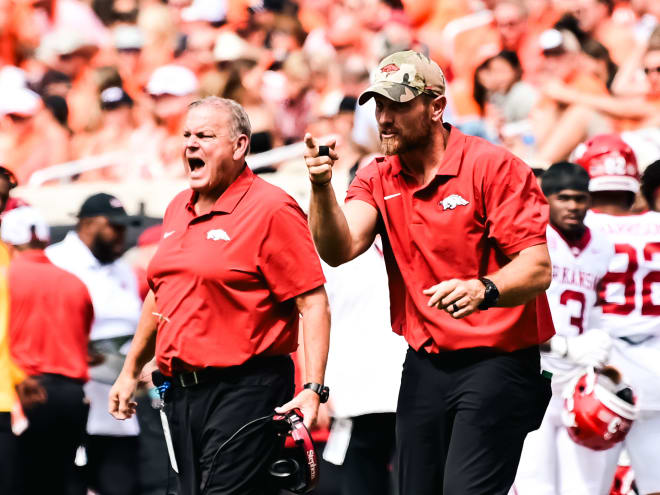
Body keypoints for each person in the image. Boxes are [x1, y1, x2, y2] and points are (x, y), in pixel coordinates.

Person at [304, 49, 554, 495]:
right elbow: (339, 248)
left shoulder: (494, 166)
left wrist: (485, 289)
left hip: (497, 361)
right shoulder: (377, 176)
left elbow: (536, 268)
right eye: (379, 106)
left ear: (436, 106)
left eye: (398, 105)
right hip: (425, 365)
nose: (384, 118)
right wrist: (321, 188)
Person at [109, 96, 331, 495]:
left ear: (240, 146)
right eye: (187, 135)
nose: (191, 144)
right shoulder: (179, 206)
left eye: (206, 136)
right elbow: (161, 293)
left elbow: (312, 302)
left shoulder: (271, 208)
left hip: (246, 389)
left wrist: (313, 390)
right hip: (181, 393)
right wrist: (129, 370)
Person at [512, 162, 616, 494]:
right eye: (564, 198)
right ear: (546, 199)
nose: (573, 206)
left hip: (578, 383)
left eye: (581, 198)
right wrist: (560, 346)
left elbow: (599, 304)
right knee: (533, 485)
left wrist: (601, 344)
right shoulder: (531, 238)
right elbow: (511, 312)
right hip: (533, 374)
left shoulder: (602, 244)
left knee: (585, 488)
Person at [576, 134, 660, 495]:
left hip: (602, 369)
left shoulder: (579, 228)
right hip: (656, 365)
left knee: (584, 488)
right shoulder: (656, 224)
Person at [46, 193, 143, 495]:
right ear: (87, 224)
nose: (122, 235)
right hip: (72, 398)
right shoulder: (56, 261)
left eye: (124, 227)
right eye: (114, 226)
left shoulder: (122, 268)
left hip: (120, 405)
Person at [2, 206, 94, 495]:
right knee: (59, 481)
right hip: (70, 397)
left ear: (7, 243)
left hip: (24, 392)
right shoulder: (75, 283)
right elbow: (84, 335)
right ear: (43, 239)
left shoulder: (6, 277)